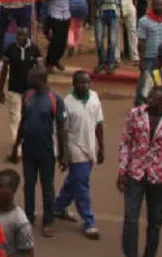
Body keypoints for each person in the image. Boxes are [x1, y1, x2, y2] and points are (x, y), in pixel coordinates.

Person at [118, 85, 162, 257]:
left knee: (155, 222)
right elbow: (125, 143)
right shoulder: (135, 114)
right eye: (149, 97)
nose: (150, 101)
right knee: (130, 219)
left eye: (155, 99)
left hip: (159, 178)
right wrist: (121, 171)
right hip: (135, 174)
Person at [7, 65, 65, 237]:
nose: (28, 79)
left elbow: (61, 129)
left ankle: (48, 221)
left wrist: (63, 155)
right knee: (29, 185)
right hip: (29, 150)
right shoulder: (29, 96)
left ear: (40, 79)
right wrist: (15, 147)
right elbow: (23, 123)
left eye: (31, 77)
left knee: (47, 187)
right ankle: (29, 218)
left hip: (47, 151)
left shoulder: (55, 99)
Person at [52, 70, 104, 240]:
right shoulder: (67, 102)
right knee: (82, 184)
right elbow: (63, 131)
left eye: (88, 82)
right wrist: (64, 155)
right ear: (74, 84)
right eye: (81, 82)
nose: (85, 85)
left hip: (90, 145)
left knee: (74, 180)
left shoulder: (95, 97)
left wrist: (101, 147)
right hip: (75, 147)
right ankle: (89, 222)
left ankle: (58, 207)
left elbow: (99, 123)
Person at [0, 26, 41, 155]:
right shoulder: (10, 49)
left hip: (30, 90)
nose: (20, 38)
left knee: (30, 117)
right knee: (15, 118)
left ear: (28, 36)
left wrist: (41, 87)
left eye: (23, 35)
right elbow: (4, 70)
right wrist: (0, 90)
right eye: (18, 35)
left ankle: (29, 142)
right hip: (14, 89)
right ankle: (17, 149)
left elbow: (40, 69)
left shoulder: (35, 49)